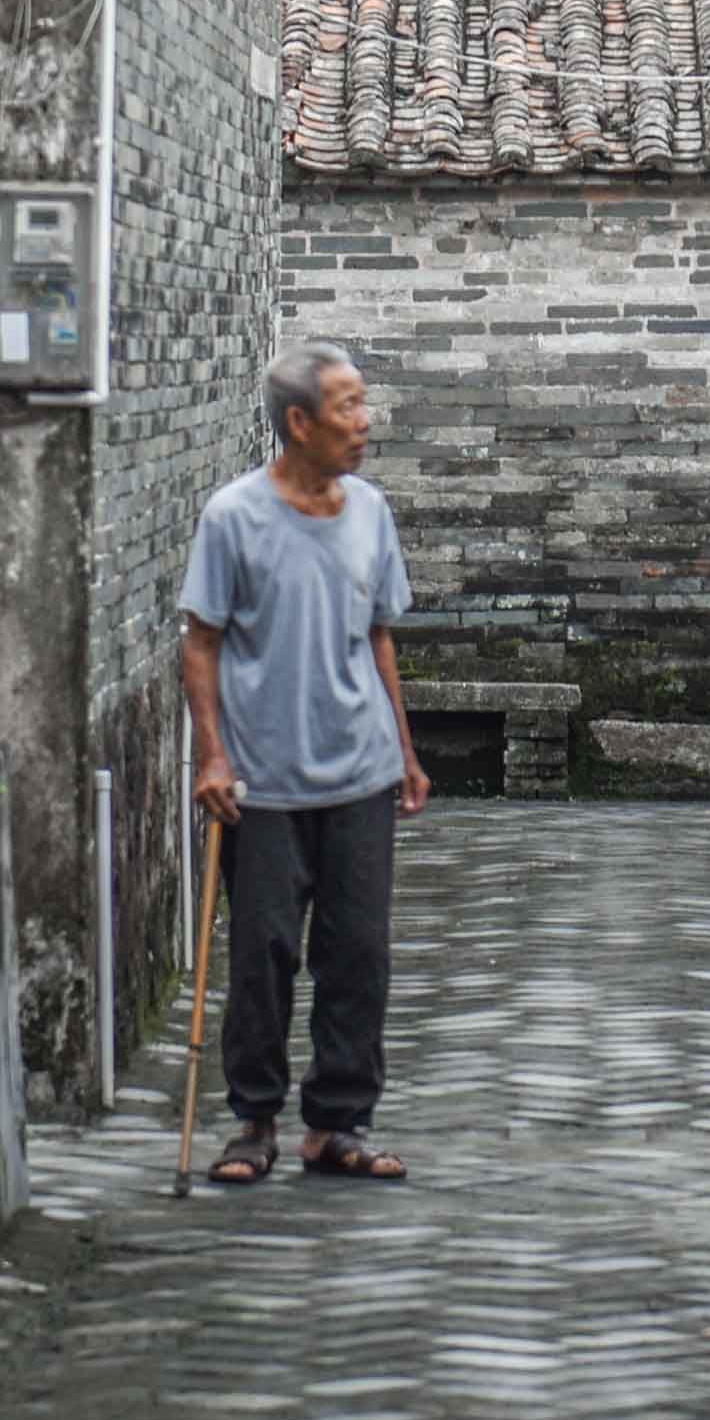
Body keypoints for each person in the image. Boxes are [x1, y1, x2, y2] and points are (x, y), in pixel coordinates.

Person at [180, 344, 429, 1183]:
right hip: (263, 779)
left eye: (363, 403)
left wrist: (403, 745)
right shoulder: (233, 516)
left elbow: (379, 634)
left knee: (359, 952)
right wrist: (211, 755)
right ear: (299, 422)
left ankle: (339, 1122)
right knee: (263, 954)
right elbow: (200, 642)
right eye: (348, 407)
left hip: (358, 767)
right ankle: (253, 1120)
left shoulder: (370, 512)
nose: (365, 423)